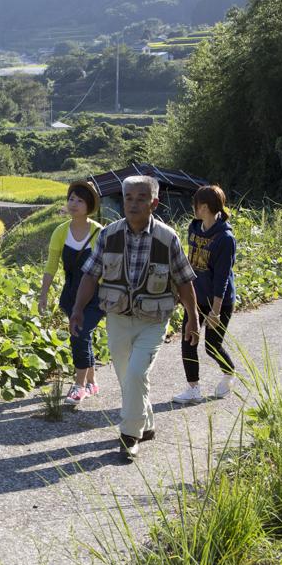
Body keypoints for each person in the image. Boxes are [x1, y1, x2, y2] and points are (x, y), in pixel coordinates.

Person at [70, 176, 200, 460]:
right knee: (128, 378)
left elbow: (184, 281)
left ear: (154, 202)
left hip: (153, 320)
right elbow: (91, 274)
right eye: (128, 197)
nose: (133, 203)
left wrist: (193, 318)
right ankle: (147, 423)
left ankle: (129, 436)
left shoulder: (167, 238)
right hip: (117, 317)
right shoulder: (109, 235)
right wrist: (78, 309)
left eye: (141, 198)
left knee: (137, 373)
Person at [38, 181, 104, 406]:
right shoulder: (60, 231)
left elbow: (108, 267)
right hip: (70, 295)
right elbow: (51, 266)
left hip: (95, 296)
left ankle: (79, 386)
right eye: (71, 199)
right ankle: (92, 381)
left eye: (80, 200)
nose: (73, 204)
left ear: (89, 205)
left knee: (80, 334)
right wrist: (43, 294)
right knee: (82, 336)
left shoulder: (99, 233)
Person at [173, 185, 238, 402]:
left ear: (204, 206)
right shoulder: (194, 229)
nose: (193, 207)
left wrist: (216, 312)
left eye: (196, 204)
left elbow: (222, 277)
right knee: (188, 340)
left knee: (212, 346)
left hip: (219, 301)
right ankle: (193, 389)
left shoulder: (225, 238)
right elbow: (188, 264)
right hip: (195, 296)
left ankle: (229, 374)